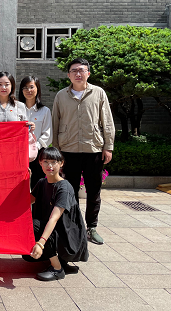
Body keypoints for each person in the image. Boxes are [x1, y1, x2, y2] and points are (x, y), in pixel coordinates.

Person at [52, 58, 115, 245]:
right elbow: (55, 123)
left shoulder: (98, 93)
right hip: (68, 150)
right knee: (70, 191)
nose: (78, 74)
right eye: (74, 70)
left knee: (94, 190)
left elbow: (107, 121)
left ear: (88, 73)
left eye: (81, 70)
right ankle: (74, 227)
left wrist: (108, 146)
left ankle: (91, 227)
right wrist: (56, 152)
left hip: (93, 149)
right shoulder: (61, 96)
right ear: (68, 75)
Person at [22, 147, 89, 281]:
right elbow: (26, 202)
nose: (50, 166)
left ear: (61, 163)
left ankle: (58, 269)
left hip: (68, 239)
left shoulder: (64, 188)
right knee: (28, 254)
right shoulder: (42, 183)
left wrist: (40, 244)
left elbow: (54, 218)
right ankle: (61, 262)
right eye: (46, 162)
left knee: (34, 225)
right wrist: (26, 181)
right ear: (40, 163)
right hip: (56, 232)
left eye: (54, 162)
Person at [18, 75, 52, 190]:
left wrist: (35, 147)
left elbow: (47, 134)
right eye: (25, 87)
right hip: (18, 154)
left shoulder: (45, 111)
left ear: (37, 89)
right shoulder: (16, 109)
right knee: (19, 187)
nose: (28, 90)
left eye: (32, 87)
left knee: (37, 186)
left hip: (38, 154)